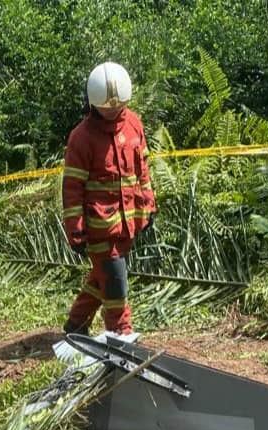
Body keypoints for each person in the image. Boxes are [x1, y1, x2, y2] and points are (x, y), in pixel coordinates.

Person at [61, 62, 157, 335]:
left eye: (118, 106)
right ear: (92, 104)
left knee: (102, 276)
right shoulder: (81, 138)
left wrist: (148, 206)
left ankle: (75, 326)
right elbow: (72, 188)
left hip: (128, 226)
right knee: (114, 282)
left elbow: (143, 169)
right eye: (107, 107)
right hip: (99, 229)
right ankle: (121, 336)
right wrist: (75, 231)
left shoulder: (134, 124)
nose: (114, 111)